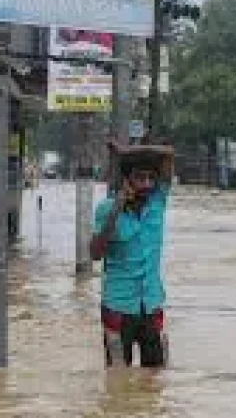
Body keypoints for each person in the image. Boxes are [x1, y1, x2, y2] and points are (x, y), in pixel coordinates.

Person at [90, 138, 175, 368]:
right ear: (127, 180)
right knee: (117, 376)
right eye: (139, 177)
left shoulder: (157, 202)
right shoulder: (106, 208)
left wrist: (128, 152)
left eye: (150, 178)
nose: (146, 184)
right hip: (118, 307)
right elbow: (95, 253)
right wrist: (117, 207)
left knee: (156, 376)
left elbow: (168, 153)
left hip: (151, 304)